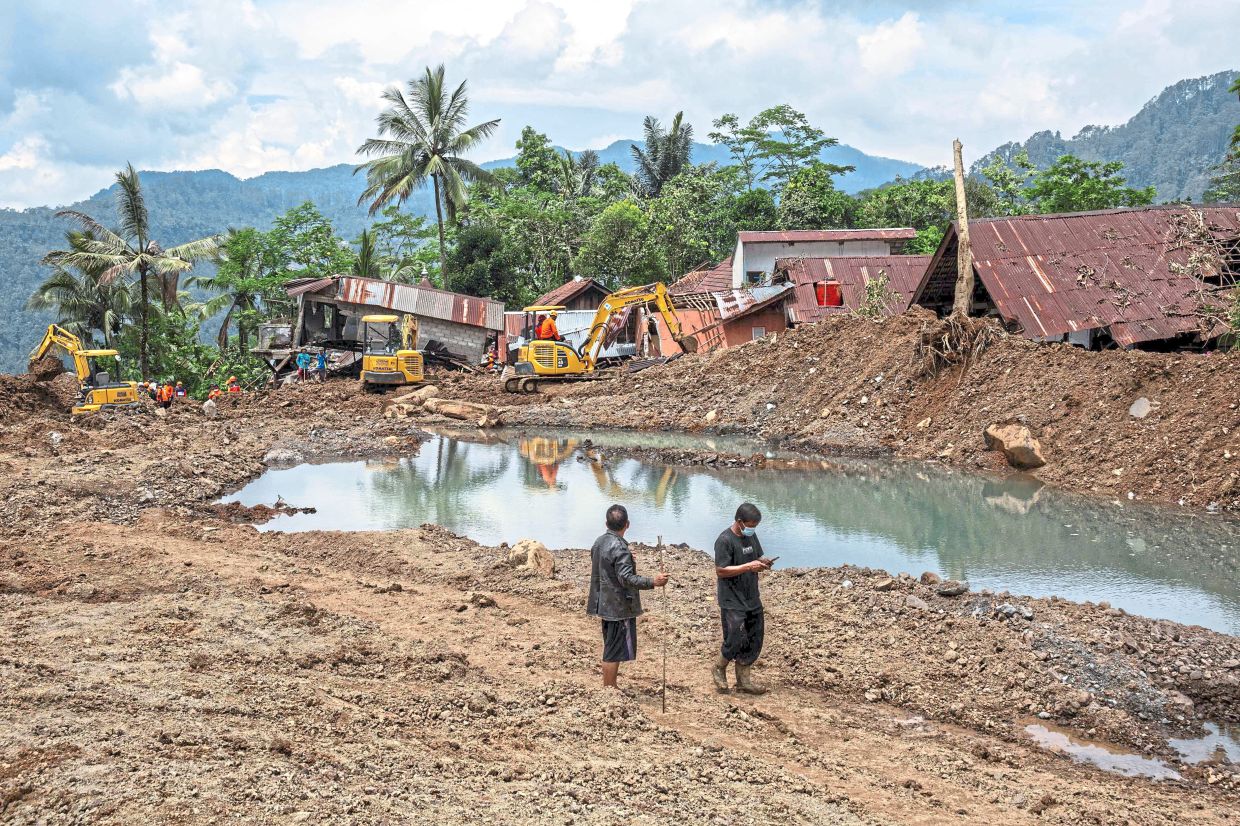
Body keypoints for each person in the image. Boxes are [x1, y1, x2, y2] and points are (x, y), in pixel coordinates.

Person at [586, 504, 669, 689]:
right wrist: (653, 581)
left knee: (611, 646)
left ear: (606, 524)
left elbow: (604, 563)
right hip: (617, 607)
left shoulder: (599, 542)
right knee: (613, 650)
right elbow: (626, 578)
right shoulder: (620, 547)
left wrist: (628, 559)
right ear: (627, 524)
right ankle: (609, 689)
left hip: (604, 602)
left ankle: (611, 687)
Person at [711, 502, 772, 694]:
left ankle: (744, 680)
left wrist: (763, 562)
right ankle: (719, 667)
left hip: (751, 596)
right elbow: (721, 570)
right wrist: (747, 567)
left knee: (755, 636)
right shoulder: (724, 540)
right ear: (739, 521)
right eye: (750, 525)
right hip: (732, 599)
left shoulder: (751, 536)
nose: (752, 529)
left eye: (755, 526)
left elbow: (757, 557)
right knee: (734, 637)